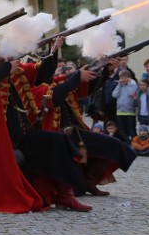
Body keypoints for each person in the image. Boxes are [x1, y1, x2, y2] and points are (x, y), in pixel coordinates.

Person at [0, 38, 89, 213]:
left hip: (23, 135)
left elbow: (43, 73)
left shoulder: (17, 72)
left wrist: (53, 50)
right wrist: (7, 67)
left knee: (60, 141)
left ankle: (65, 195)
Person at [33, 63, 136, 197]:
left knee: (115, 145)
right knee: (77, 191)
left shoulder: (61, 82)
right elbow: (56, 96)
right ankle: (81, 183)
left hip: (77, 133)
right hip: (57, 139)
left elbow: (86, 90)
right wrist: (76, 76)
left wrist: (105, 71)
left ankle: (90, 180)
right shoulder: (35, 88)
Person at [112, 70, 138, 143]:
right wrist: (119, 85)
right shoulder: (120, 85)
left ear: (129, 78)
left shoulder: (133, 84)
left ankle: (134, 143)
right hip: (120, 111)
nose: (123, 80)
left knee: (131, 129)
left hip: (130, 112)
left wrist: (129, 84)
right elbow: (114, 95)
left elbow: (131, 93)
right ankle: (124, 143)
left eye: (125, 78)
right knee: (122, 130)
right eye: (121, 78)